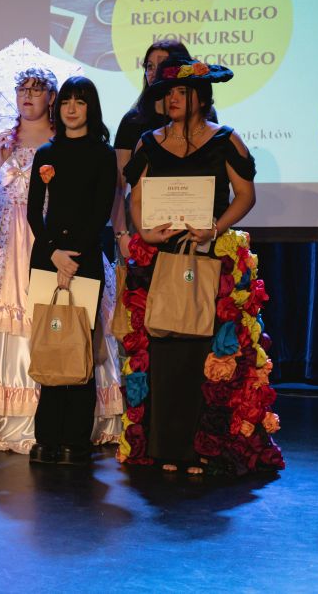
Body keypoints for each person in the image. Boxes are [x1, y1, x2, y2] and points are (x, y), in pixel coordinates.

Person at [124, 56, 283, 475]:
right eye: (167, 93)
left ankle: (202, 449)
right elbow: (136, 198)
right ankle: (165, 447)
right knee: (165, 348)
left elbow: (245, 195)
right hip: (162, 257)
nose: (173, 99)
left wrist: (215, 228)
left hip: (209, 257)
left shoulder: (225, 139)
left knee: (204, 352)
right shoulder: (149, 142)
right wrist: (146, 232)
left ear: (201, 96)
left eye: (181, 91)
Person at [26, 76, 116, 465]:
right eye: (65, 102)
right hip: (47, 260)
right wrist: (54, 253)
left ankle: (75, 441)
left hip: (85, 260)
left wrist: (72, 257)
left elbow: (100, 213)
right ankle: (46, 437)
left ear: (90, 108)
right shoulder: (46, 152)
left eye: (80, 102)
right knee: (49, 343)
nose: (72, 109)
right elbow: (34, 212)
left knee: (78, 346)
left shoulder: (103, 154)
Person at [0, 67, 57, 454]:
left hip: (42, 236)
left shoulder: (59, 141)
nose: (28, 96)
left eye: (37, 90)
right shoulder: (3, 139)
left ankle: (49, 415)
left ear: (51, 98)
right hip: (5, 239)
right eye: (22, 89)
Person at [111, 40, 216, 258]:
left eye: (162, 65)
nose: (154, 72)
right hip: (143, 228)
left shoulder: (204, 119)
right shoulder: (133, 121)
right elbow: (119, 186)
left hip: (193, 228)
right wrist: (121, 235)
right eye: (149, 66)